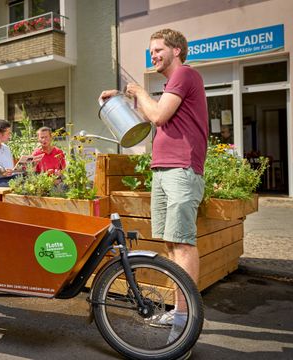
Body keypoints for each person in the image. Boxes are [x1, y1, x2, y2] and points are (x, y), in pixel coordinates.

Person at [101, 28, 208, 344]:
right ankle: (179, 311)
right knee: (172, 244)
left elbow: (159, 115)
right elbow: (146, 120)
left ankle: (186, 319)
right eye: (151, 51)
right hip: (163, 170)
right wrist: (122, 98)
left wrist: (138, 90)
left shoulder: (185, 75)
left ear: (176, 50)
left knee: (184, 243)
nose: (153, 55)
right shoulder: (170, 86)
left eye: (158, 49)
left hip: (181, 169)